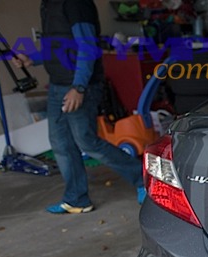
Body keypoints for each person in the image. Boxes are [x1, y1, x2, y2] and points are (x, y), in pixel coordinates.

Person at [12, 0, 145, 214]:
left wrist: (79, 87)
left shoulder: (75, 4)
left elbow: (87, 47)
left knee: (87, 141)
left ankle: (144, 180)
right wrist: (32, 59)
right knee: (60, 142)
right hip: (58, 85)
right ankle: (76, 198)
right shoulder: (48, 5)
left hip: (80, 85)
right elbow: (58, 47)